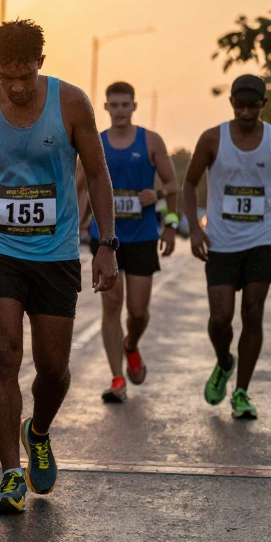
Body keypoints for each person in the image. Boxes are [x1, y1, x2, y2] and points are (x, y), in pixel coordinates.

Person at [0, 19, 117, 515]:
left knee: (54, 370)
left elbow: (97, 171)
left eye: (24, 75)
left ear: (40, 63)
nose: (16, 87)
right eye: (6, 76)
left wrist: (106, 244)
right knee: (2, 352)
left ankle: (37, 431)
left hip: (57, 251)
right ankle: (9, 475)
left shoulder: (72, 103)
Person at [181, 74, 271, 420]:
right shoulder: (212, 139)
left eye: (253, 106)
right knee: (220, 318)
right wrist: (195, 231)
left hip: (261, 239)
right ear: (231, 103)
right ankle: (223, 361)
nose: (246, 112)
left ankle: (242, 391)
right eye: (240, 105)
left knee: (252, 314)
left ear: (263, 104)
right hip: (221, 241)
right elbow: (188, 184)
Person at [76, 82, 179, 403]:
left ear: (134, 106)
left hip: (144, 237)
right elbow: (78, 185)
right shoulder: (96, 143)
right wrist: (75, 222)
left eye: (125, 105)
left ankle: (131, 344)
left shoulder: (151, 141)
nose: (120, 110)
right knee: (111, 305)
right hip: (105, 237)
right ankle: (117, 377)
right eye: (114, 105)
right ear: (105, 108)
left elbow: (173, 184)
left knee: (137, 312)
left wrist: (161, 202)